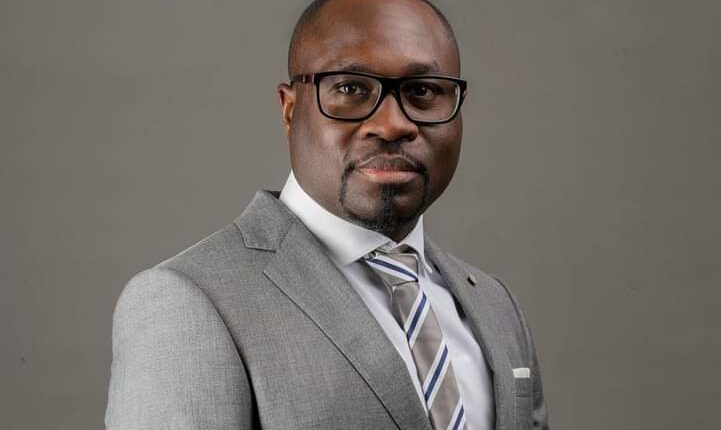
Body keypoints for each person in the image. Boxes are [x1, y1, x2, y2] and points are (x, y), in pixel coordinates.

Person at [105, 0, 549, 429]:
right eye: (350, 88)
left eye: (423, 91)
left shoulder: (495, 305)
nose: (392, 124)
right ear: (289, 109)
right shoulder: (190, 302)